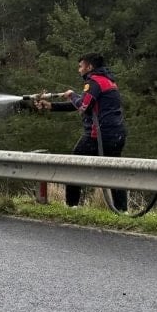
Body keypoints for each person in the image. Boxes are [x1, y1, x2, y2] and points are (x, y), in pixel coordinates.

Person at [35, 54, 128, 211]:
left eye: (80, 66)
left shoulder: (94, 82)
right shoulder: (107, 81)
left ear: (89, 67)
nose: (79, 70)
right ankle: (122, 210)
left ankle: (72, 206)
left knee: (74, 164)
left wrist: (71, 94)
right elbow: (86, 105)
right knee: (114, 171)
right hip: (116, 134)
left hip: (98, 135)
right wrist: (51, 106)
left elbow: (83, 106)